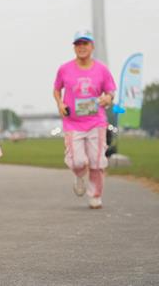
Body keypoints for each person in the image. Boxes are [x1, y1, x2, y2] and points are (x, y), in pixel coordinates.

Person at [53, 30, 116, 209]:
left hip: (96, 121)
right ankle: (79, 174)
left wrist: (108, 98)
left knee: (97, 162)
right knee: (77, 161)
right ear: (74, 47)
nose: (81, 47)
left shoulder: (101, 69)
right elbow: (57, 89)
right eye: (78, 44)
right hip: (73, 123)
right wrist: (59, 103)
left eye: (85, 43)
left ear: (92, 46)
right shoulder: (64, 69)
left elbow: (111, 91)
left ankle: (95, 196)